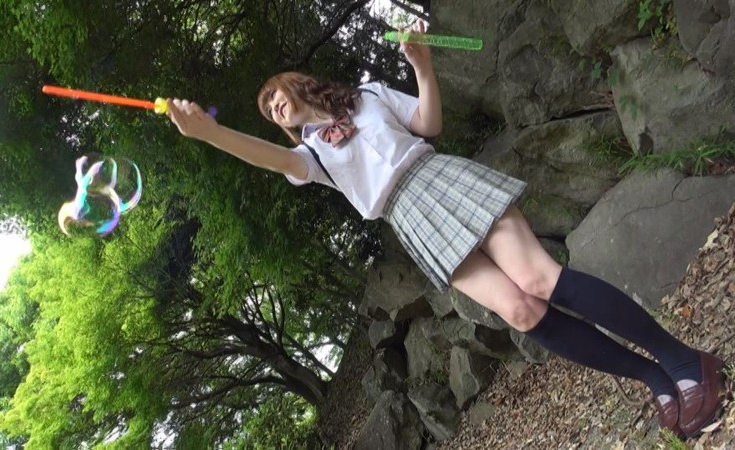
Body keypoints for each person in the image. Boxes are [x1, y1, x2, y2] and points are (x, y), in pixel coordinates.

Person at [166, 19, 727, 439]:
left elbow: (428, 123)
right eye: (267, 110)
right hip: (409, 220)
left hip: (439, 177)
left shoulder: (367, 95)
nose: (273, 107)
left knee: (538, 279)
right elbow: (269, 157)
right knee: (521, 311)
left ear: (296, 84)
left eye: (273, 95)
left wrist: (423, 66)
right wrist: (211, 134)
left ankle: (683, 361)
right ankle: (655, 379)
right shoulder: (310, 158)